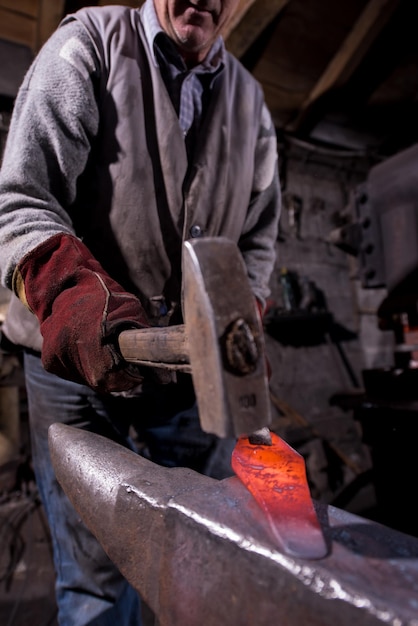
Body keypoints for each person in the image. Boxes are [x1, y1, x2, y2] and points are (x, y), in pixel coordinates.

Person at [0, 0, 281, 624]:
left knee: (184, 556)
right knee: (97, 571)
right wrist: (68, 291)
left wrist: (245, 315)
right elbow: (22, 200)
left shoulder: (251, 105)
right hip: (71, 365)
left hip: (186, 384)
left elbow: (260, 238)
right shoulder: (90, 44)